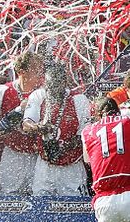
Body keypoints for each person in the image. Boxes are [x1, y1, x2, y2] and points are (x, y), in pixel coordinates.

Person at [23, 62, 92, 196]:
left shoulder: (79, 99)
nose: (51, 89)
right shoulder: (38, 95)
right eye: (48, 85)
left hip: (71, 167)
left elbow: (84, 135)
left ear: (64, 82)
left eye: (55, 85)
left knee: (73, 204)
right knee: (40, 202)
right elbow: (26, 124)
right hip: (45, 165)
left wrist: (62, 149)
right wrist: (39, 127)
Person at [0, 51, 44, 195]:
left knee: (37, 194)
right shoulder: (2, 90)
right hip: (12, 153)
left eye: (41, 69)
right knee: (9, 194)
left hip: (37, 155)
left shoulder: (44, 92)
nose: (40, 73)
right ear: (21, 71)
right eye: (35, 69)